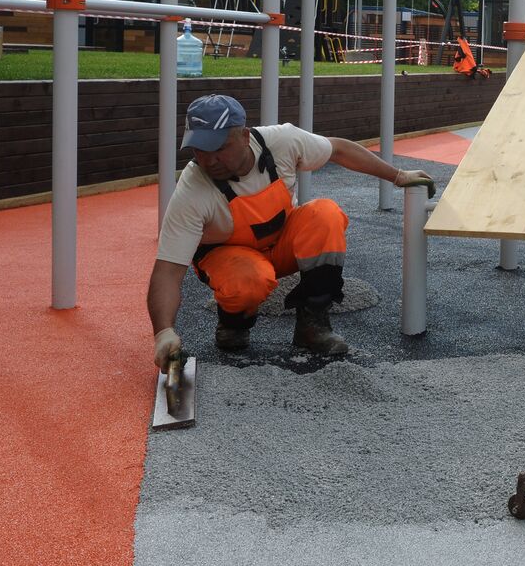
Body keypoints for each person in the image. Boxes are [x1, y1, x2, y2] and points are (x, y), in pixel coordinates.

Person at [149, 93, 435, 367]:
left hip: (279, 242)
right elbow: (167, 271)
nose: (209, 160)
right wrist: (164, 333)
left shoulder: (282, 142)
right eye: (200, 150)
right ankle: (234, 323)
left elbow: (338, 149)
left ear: (245, 136)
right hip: (229, 257)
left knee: (325, 214)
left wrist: (398, 176)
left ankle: (312, 325)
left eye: (219, 148)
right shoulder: (192, 190)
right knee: (248, 279)